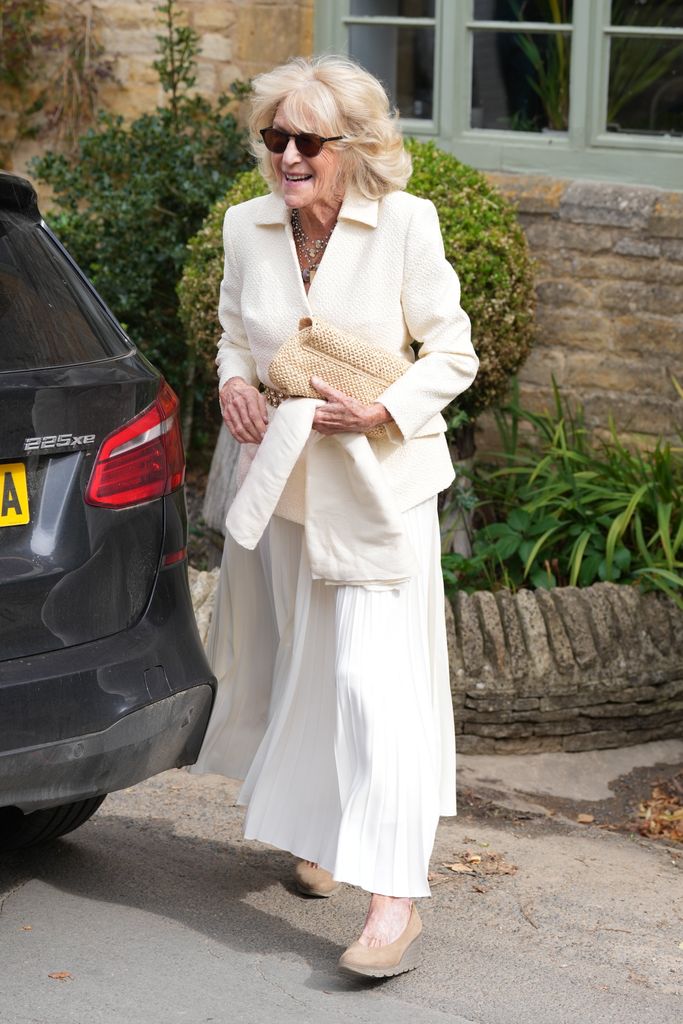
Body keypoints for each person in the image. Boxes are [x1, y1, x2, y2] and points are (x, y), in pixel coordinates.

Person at [192, 54, 479, 978]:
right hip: (283, 489)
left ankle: (394, 901)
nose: (287, 155)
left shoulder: (406, 223)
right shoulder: (245, 227)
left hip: (377, 491)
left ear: (351, 147)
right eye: (274, 136)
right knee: (303, 672)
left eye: (307, 141)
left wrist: (384, 407)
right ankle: (322, 837)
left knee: (367, 681)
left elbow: (453, 352)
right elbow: (234, 335)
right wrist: (234, 383)